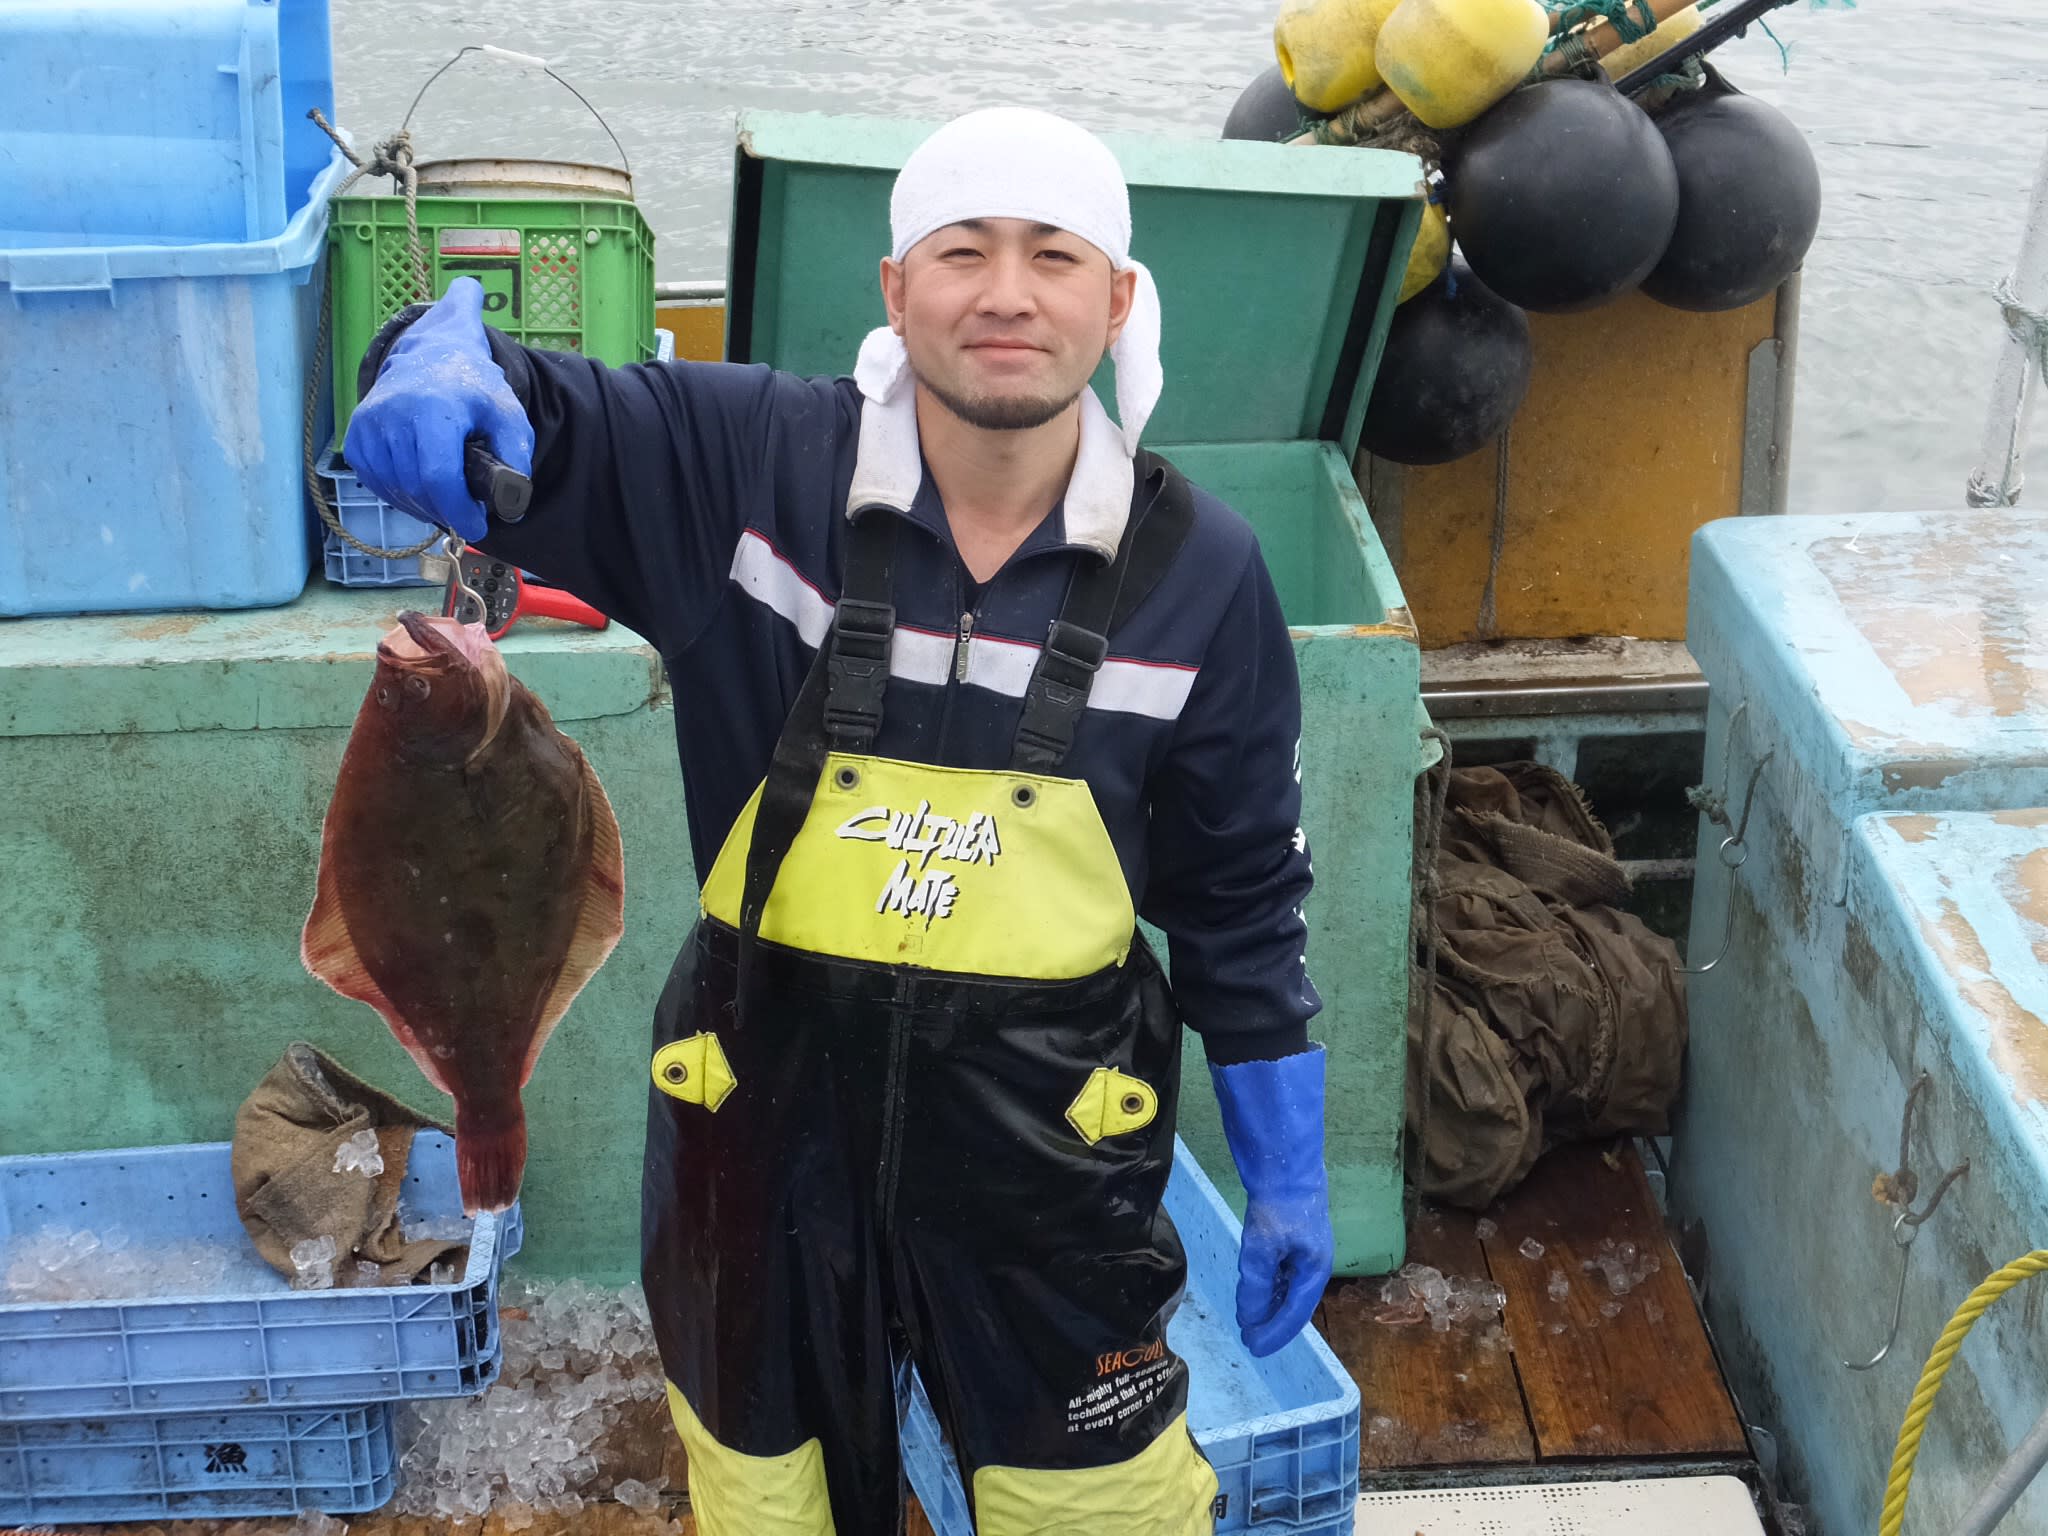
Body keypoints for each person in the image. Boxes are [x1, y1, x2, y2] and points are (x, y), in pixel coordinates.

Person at [346, 104, 1332, 1536]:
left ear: (1115, 301)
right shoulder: (745, 467)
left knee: (1100, 1512)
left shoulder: (1206, 575)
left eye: (1054, 256)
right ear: (894, 290)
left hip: (1049, 1176)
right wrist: (424, 363)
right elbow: (541, 415)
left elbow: (1242, 896)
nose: (1005, 292)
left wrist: (1289, 1168)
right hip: (753, 1144)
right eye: (962, 250)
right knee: (764, 1502)